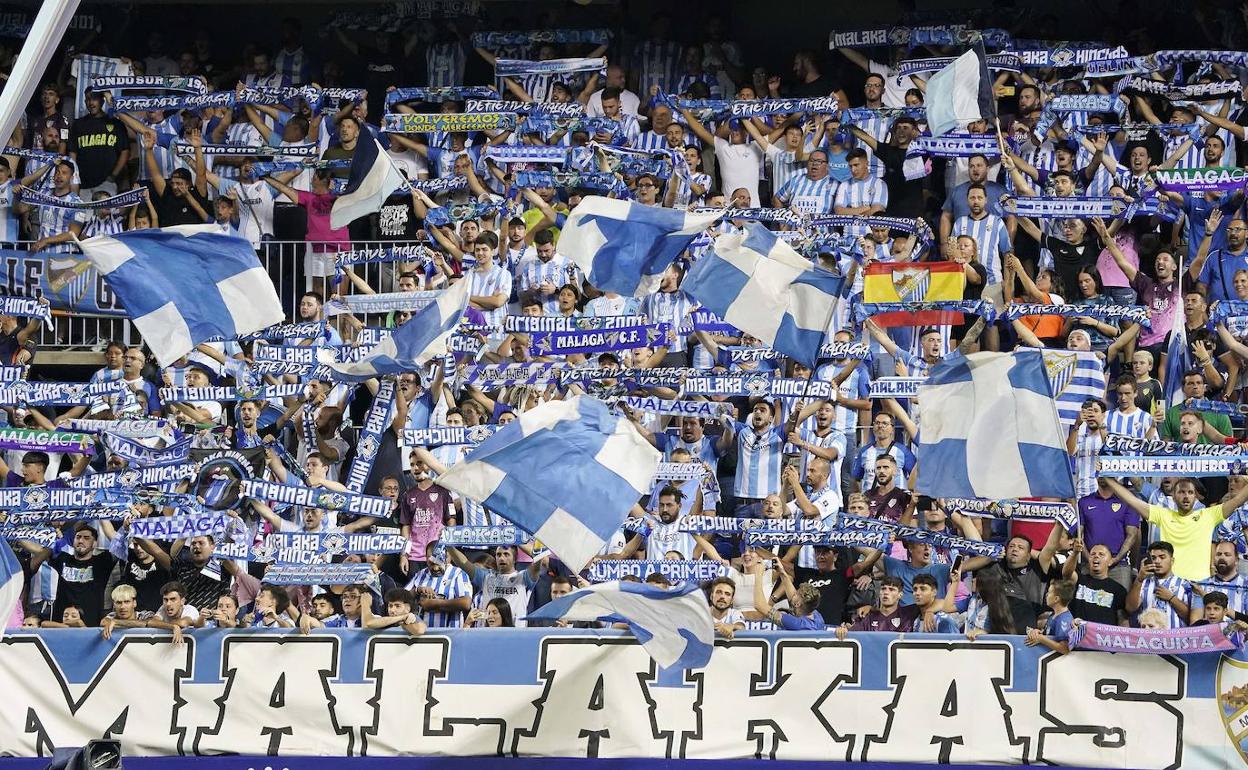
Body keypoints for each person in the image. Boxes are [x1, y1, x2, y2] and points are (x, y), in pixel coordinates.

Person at [1102, 476, 1248, 581]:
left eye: (1190, 493)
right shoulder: (1162, 514)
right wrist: (1107, 478)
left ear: (1196, 496)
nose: (1186, 496)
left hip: (1200, 585)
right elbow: (1131, 500)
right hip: (1170, 584)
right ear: (1173, 496)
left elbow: (1237, 500)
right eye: (1181, 492)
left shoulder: (1208, 515)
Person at [16, 523, 115, 626]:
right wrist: (14, 531)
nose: (81, 541)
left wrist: (102, 512)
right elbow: (39, 551)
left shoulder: (102, 561)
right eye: (78, 537)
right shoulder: (64, 559)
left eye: (86, 538)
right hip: (61, 624)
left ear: (94, 543)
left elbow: (117, 543)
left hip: (90, 624)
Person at [1126, 541, 1198, 628]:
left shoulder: (1184, 584)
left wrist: (1171, 598)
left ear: (1172, 560)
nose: (1157, 561)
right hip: (1149, 638)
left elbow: (1190, 617)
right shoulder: (1144, 583)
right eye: (1153, 558)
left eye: (1162, 557)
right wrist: (1139, 579)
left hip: (1175, 639)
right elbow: (1130, 608)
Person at [405, 542, 473, 629]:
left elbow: (466, 603)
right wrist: (417, 590)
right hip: (422, 634)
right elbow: (402, 597)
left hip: (450, 635)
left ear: (448, 557)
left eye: (439, 562)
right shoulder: (421, 574)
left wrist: (436, 604)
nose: (435, 568)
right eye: (431, 563)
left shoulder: (458, 574)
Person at [751, 560, 824, 630]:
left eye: (796, 594)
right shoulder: (816, 616)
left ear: (797, 604)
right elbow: (794, 598)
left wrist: (758, 575)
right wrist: (782, 572)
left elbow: (759, 605)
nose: (793, 593)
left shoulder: (796, 624)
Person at [1025, 579, 1075, 655]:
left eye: (1049, 592)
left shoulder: (1064, 620)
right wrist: (1038, 632)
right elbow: (1048, 635)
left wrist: (1041, 639)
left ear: (1056, 599)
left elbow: (1065, 648)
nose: (1046, 594)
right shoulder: (1053, 615)